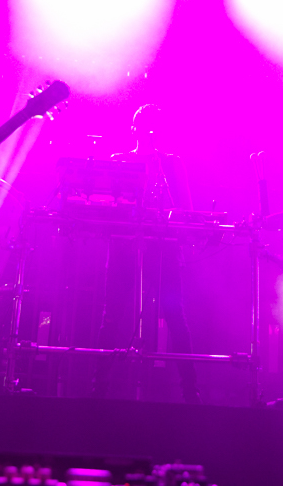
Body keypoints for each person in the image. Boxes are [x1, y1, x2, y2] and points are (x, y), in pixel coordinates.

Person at [91, 104, 199, 403]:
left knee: (174, 315)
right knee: (112, 316)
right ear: (134, 129)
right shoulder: (119, 161)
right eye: (144, 124)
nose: (149, 130)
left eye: (154, 125)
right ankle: (99, 388)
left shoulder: (172, 164)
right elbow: (108, 206)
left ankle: (190, 391)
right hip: (124, 246)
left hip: (162, 247)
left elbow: (186, 208)